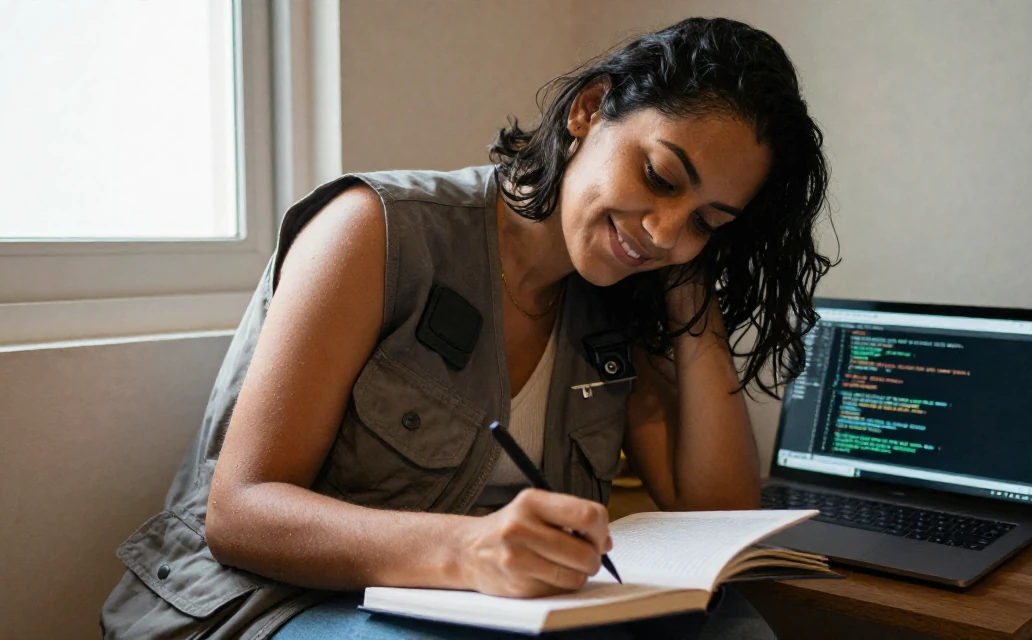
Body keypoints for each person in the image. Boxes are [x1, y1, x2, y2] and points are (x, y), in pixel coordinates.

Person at [101, 16, 833, 639]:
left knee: (731, 625)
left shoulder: (625, 291)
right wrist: (468, 548)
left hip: (474, 611)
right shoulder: (375, 230)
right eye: (660, 178)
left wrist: (689, 289)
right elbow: (241, 513)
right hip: (264, 606)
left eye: (707, 220)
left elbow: (714, 523)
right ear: (589, 109)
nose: (667, 229)